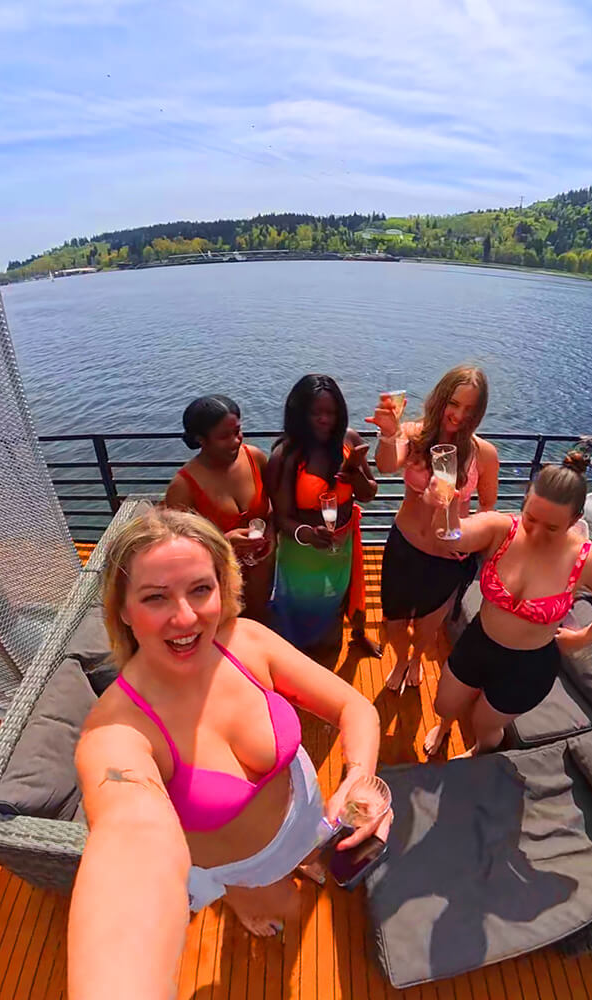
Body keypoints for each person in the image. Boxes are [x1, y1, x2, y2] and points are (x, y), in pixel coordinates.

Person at [68, 509, 389, 999]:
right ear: (124, 610)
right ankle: (242, 903)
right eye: (155, 597)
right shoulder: (117, 732)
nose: (186, 617)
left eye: (201, 589)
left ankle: (302, 859)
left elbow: (354, 706)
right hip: (240, 864)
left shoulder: (246, 643)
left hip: (305, 808)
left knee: (308, 853)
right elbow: (129, 842)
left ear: (222, 586)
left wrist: (359, 778)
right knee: (261, 898)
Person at [423, 450, 592, 756]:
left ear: (575, 520)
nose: (537, 533)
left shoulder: (585, 559)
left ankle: (477, 752)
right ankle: (445, 726)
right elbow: (451, 536)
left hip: (528, 665)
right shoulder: (501, 530)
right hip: (480, 641)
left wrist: (583, 638)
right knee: (444, 703)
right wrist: (444, 503)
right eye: (531, 518)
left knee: (485, 724)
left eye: (552, 528)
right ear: (525, 502)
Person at [366, 366, 499, 695]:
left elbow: (487, 509)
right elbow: (385, 465)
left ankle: (416, 660)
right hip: (405, 546)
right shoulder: (414, 435)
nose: (458, 415)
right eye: (454, 404)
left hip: (447, 556)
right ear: (441, 399)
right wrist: (387, 433)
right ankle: (400, 659)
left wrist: (469, 539)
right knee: (394, 621)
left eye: (470, 409)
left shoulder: (484, 454)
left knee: (428, 627)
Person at [268, 374, 380, 654]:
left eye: (330, 412)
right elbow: (281, 517)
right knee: (300, 609)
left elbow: (368, 493)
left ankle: (341, 645)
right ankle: (297, 660)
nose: (324, 419)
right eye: (315, 413)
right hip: (303, 552)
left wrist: (354, 475)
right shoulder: (287, 455)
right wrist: (307, 534)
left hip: (342, 545)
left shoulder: (349, 440)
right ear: (300, 414)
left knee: (341, 597)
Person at [164, 394, 274, 622]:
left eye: (238, 431)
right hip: (220, 586)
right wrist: (224, 543)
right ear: (201, 440)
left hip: (265, 576)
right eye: (225, 436)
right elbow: (178, 551)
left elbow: (273, 510)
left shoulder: (255, 457)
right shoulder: (184, 486)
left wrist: (271, 538)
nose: (236, 441)